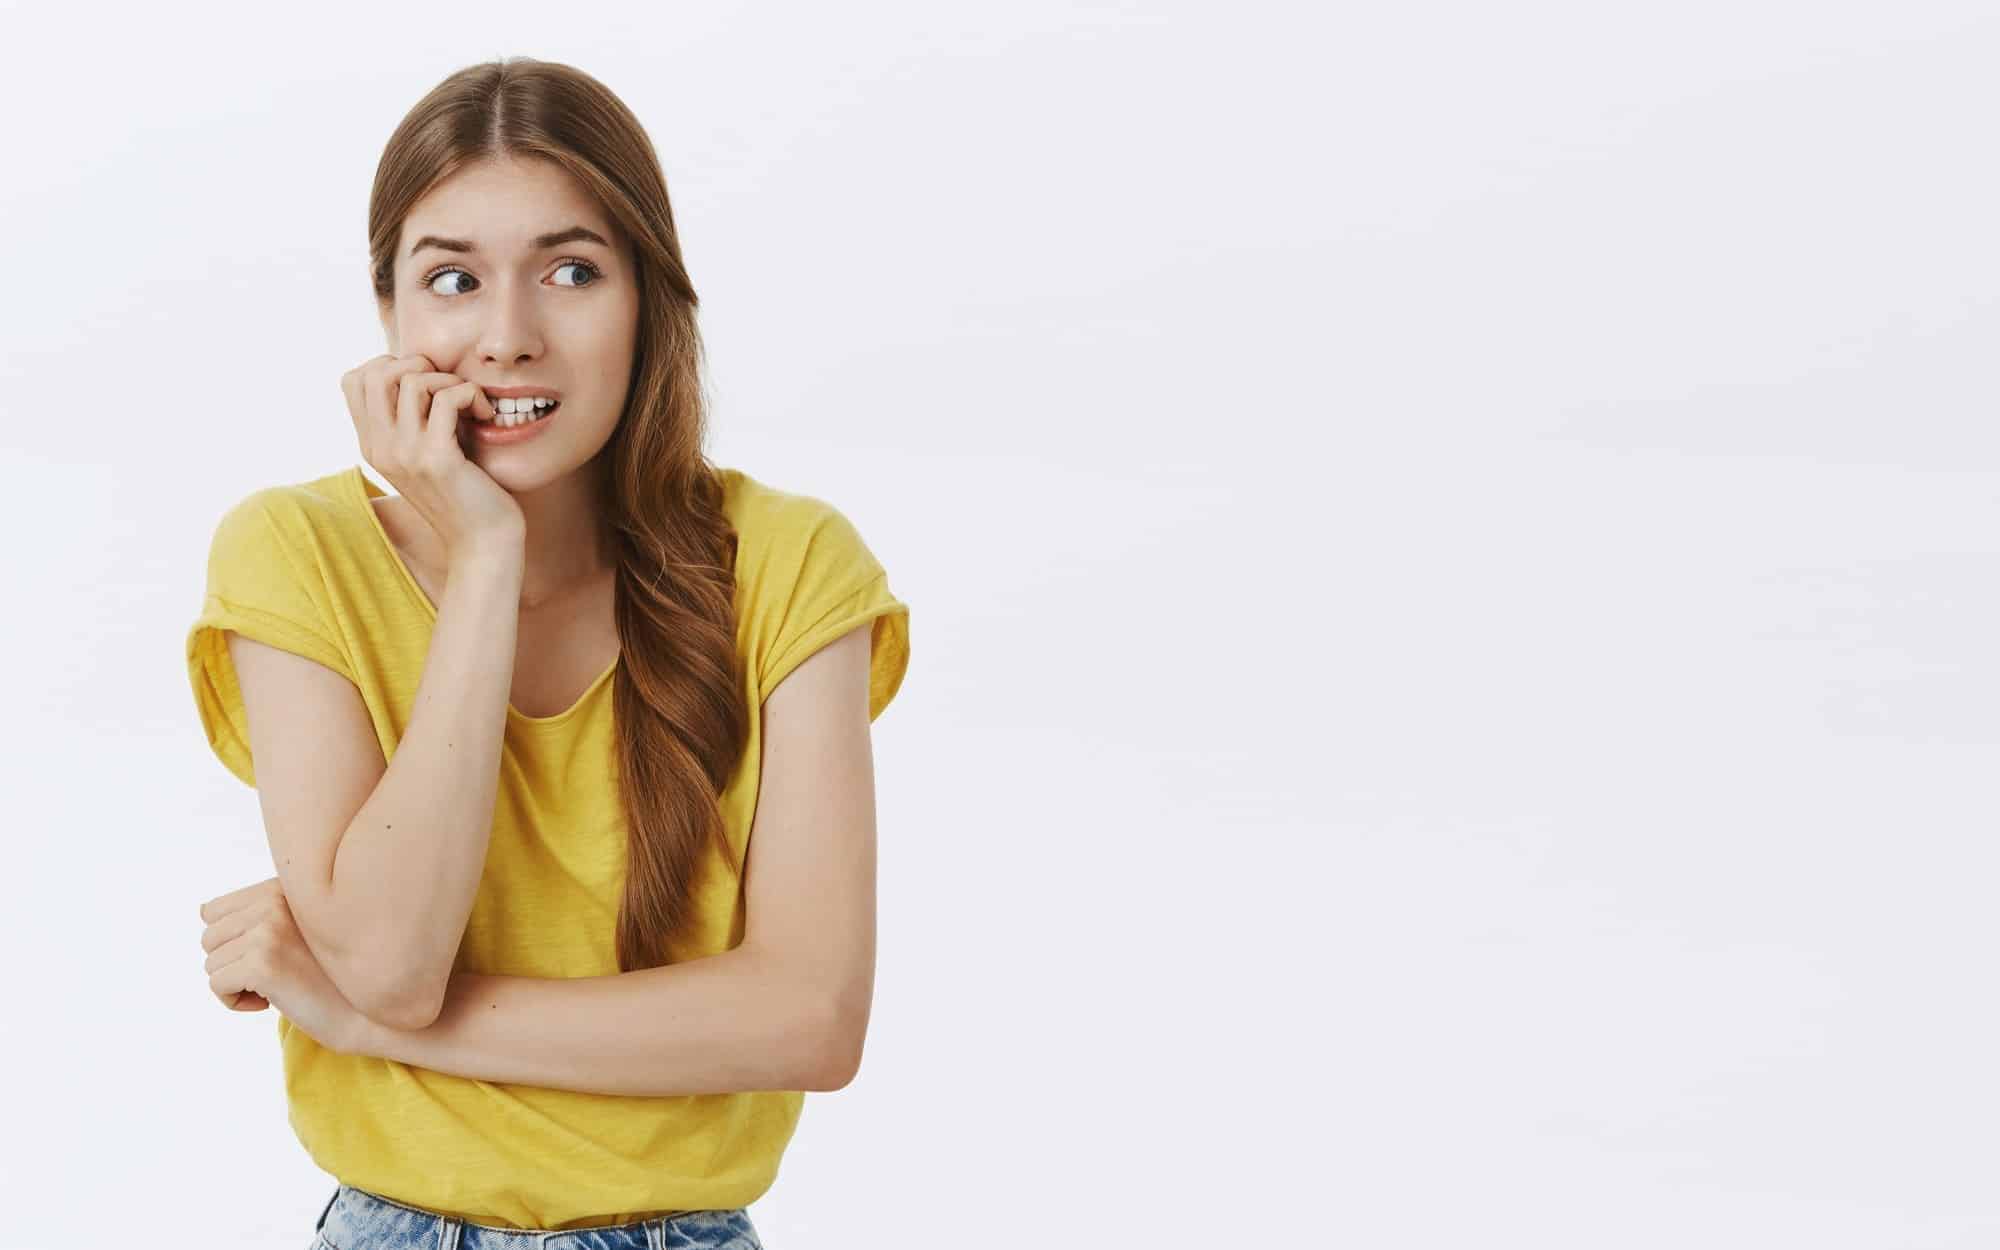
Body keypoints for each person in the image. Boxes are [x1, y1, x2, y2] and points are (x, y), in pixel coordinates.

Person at [184, 57, 910, 1249]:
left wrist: (372, 1029)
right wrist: (485, 560)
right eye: (453, 279)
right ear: (390, 318)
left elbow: (810, 1018)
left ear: (647, 299)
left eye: (571, 271)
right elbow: (391, 955)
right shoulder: (293, 551)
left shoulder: (788, 560)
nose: (506, 339)